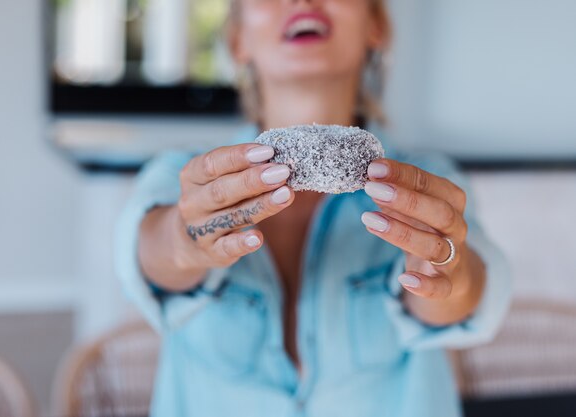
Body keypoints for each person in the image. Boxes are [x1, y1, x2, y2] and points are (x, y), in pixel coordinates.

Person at [115, 0, 511, 416]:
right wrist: (183, 240)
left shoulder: (425, 178)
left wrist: (447, 274)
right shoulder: (187, 176)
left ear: (375, 26)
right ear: (237, 41)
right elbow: (150, 250)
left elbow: (467, 289)